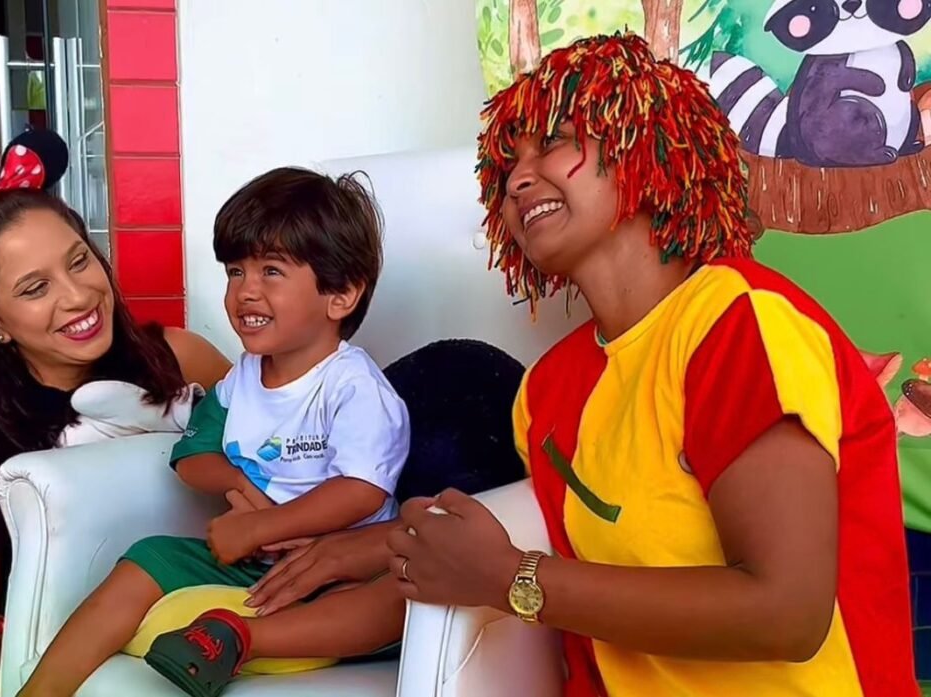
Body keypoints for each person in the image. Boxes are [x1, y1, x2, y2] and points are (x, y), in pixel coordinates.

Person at [386, 33, 920, 697]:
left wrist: (512, 578)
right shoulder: (546, 390)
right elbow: (526, 567)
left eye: (554, 141)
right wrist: (370, 550)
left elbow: (786, 613)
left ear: (645, 143)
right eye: (506, 167)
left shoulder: (739, 322)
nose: (518, 180)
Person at [17, 166, 412, 697]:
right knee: (148, 559)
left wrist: (261, 526)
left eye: (271, 271)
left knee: (382, 600)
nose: (245, 292)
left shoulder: (352, 385)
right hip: (254, 559)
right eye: (235, 272)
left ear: (340, 295)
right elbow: (192, 455)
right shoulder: (241, 379)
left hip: (344, 566)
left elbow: (362, 490)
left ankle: (237, 637)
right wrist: (240, 490)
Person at [0, 129, 231, 697]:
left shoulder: (183, 359)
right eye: (35, 288)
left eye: (79, 261)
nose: (79, 296)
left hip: (181, 637)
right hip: (32, 661)